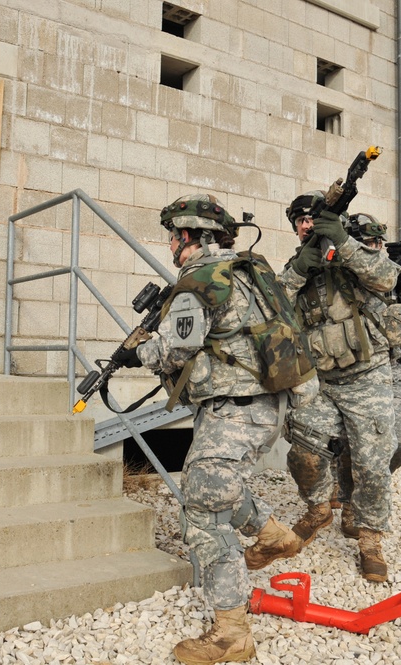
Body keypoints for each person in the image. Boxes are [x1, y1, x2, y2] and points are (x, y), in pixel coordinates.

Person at [113, 194, 318, 664]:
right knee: (218, 486)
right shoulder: (251, 270)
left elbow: (173, 352)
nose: (170, 244)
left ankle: (231, 633)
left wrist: (136, 351)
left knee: (203, 510)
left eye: (172, 236)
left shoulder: (201, 281)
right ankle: (273, 536)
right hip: (266, 407)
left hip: (234, 412)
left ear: (188, 236)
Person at [269, 192, 401, 583]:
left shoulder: (353, 255)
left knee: (372, 465)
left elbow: (387, 276)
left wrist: (343, 242)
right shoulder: (297, 267)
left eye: (312, 219)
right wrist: (297, 272)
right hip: (321, 381)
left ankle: (370, 539)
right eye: (300, 221)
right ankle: (320, 509)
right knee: (303, 457)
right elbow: (272, 309)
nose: (306, 225)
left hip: (367, 376)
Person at [331, 214, 401, 539]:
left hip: (392, 373)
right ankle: (355, 506)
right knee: (352, 445)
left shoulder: (394, 276)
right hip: (352, 373)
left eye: (376, 242)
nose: (371, 248)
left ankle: (362, 492)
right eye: (364, 242)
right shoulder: (339, 278)